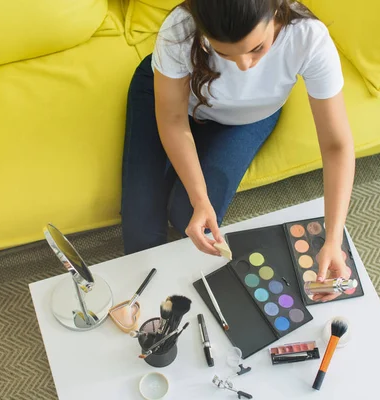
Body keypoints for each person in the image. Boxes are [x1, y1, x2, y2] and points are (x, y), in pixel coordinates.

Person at [121, 0, 355, 302]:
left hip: (247, 118)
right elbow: (174, 120)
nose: (243, 65)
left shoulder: (308, 37)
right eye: (223, 53)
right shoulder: (179, 29)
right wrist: (199, 195)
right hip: (174, 103)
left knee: (186, 217)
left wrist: (333, 239)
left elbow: (337, 145)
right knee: (141, 233)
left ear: (276, 12)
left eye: (256, 48)